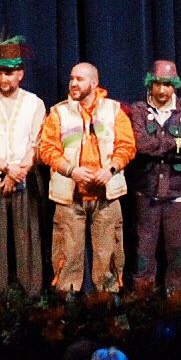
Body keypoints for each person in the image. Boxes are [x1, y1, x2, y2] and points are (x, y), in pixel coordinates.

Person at [37, 61, 135, 295]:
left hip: (106, 197)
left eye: (79, 79)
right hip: (71, 198)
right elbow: (47, 149)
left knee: (107, 257)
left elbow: (127, 146)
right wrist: (72, 171)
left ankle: (108, 311)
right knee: (67, 257)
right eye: (71, 78)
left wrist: (109, 170)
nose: (73, 83)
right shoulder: (58, 112)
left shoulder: (113, 110)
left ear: (94, 82)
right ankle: (67, 314)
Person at [0, 34, 48, 297]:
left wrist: (18, 172)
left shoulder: (34, 103)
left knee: (27, 241)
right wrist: (6, 169)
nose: (4, 79)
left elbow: (37, 144)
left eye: (10, 73)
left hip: (25, 180)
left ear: (20, 74)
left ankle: (30, 299)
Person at [124, 59, 181, 294]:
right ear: (150, 84)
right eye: (158, 84)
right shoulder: (138, 110)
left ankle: (179, 301)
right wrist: (177, 143)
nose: (163, 90)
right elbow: (141, 145)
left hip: (178, 196)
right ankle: (142, 304)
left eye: (168, 85)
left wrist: (164, 145)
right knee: (143, 253)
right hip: (147, 195)